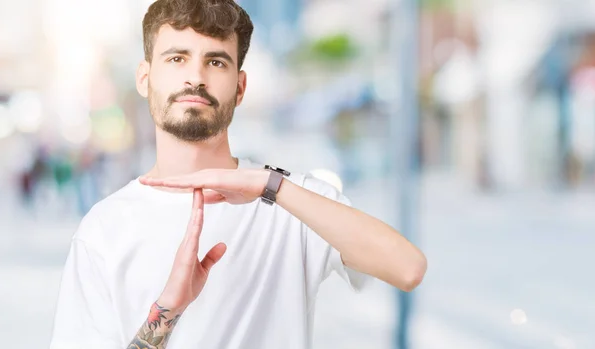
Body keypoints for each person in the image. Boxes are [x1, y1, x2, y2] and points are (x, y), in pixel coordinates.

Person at [49, 0, 427, 348]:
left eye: (216, 62)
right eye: (177, 58)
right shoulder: (103, 229)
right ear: (145, 78)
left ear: (240, 86)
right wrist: (167, 309)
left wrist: (271, 187)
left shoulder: (289, 201)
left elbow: (408, 268)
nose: (195, 77)